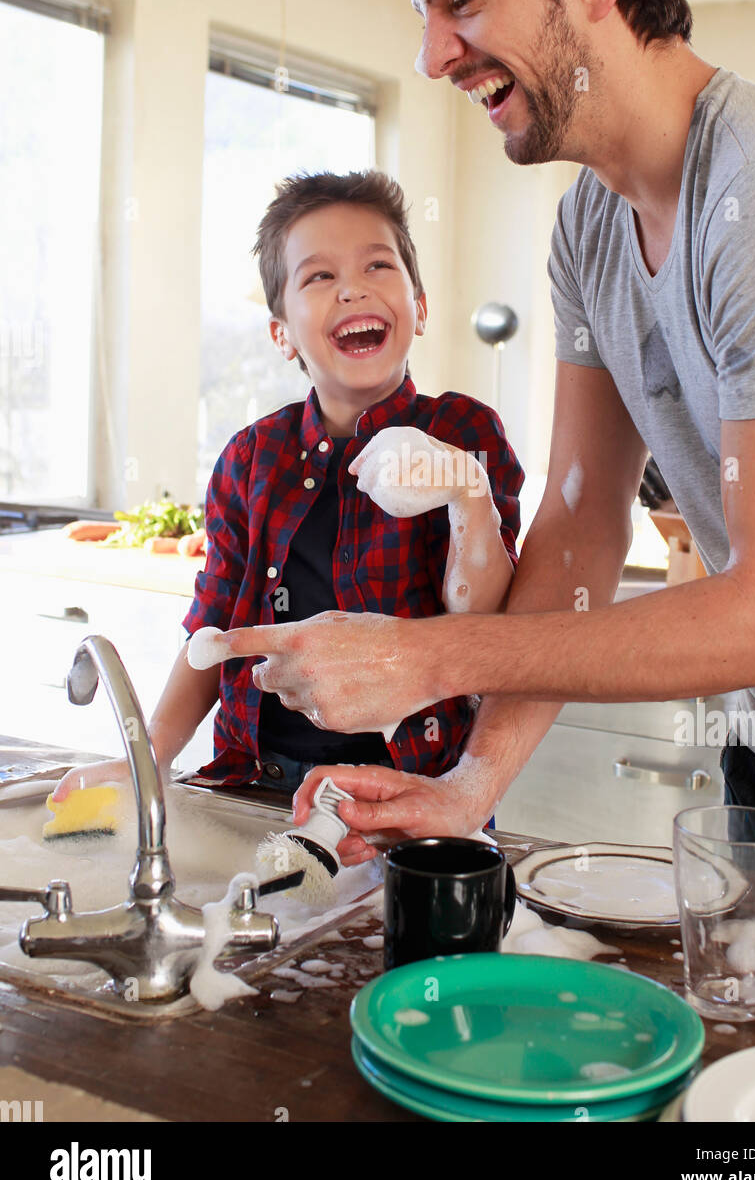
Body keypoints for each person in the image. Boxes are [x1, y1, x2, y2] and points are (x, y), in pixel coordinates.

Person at [207, 0, 755, 857]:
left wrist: (431, 658)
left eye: (461, 0)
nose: (430, 58)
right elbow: (575, 524)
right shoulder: (589, 226)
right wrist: (471, 783)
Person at [51, 169, 523, 803]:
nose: (353, 289)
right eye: (320, 276)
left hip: (413, 788)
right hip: (259, 783)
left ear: (421, 308)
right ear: (282, 334)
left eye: (378, 267)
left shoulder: (463, 430)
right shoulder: (251, 458)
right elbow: (211, 633)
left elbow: (483, 622)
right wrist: (149, 761)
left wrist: (469, 495)